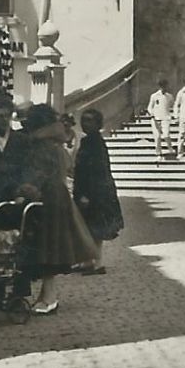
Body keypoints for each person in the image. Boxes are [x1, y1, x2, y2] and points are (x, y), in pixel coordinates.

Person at [13, 104, 97, 313]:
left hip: (47, 199)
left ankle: (50, 298)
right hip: (56, 197)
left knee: (47, 249)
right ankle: (46, 295)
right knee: (50, 248)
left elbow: (38, 175)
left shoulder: (42, 146)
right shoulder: (55, 143)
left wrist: (23, 191)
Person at [72, 109, 121, 274]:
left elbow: (96, 172)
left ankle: (97, 262)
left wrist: (87, 194)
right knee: (88, 226)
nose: (86, 124)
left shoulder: (95, 143)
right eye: (84, 120)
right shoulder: (89, 141)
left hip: (95, 192)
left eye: (90, 121)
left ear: (98, 123)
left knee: (96, 228)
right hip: (90, 190)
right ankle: (88, 260)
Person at [147, 80, 175, 159]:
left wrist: (174, 114)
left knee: (166, 135)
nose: (164, 88)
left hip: (165, 118)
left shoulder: (169, 96)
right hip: (155, 119)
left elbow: (173, 106)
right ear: (160, 87)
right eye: (162, 86)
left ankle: (170, 148)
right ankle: (158, 153)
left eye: (165, 86)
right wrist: (151, 113)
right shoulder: (154, 96)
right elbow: (149, 107)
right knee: (157, 137)